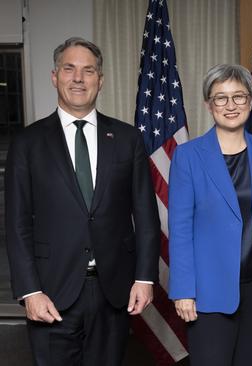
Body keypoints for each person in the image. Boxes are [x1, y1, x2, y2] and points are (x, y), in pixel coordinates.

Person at [4, 37, 160, 365]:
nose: (78, 78)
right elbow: (17, 224)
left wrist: (144, 278)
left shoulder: (128, 139)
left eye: (88, 71)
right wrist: (29, 290)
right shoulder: (27, 143)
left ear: (100, 81)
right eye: (69, 69)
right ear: (54, 76)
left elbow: (146, 216)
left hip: (112, 291)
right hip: (50, 291)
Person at [168, 64, 252, 366]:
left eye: (239, 97)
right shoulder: (188, 157)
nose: (230, 105)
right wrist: (183, 290)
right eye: (221, 98)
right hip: (208, 292)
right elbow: (180, 229)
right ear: (208, 105)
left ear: (250, 102)